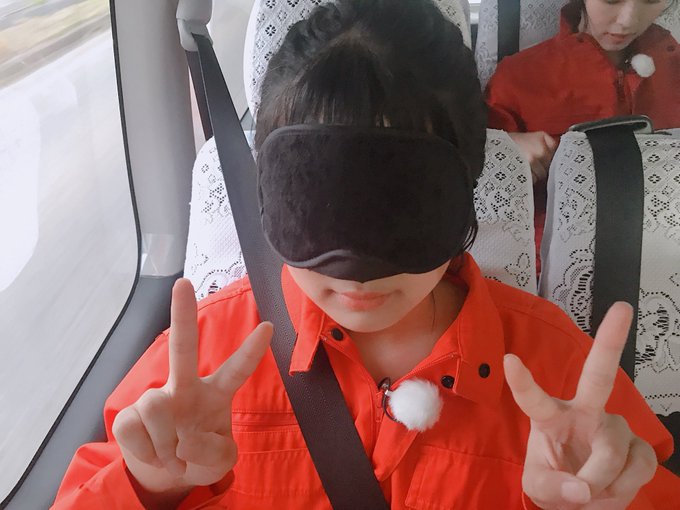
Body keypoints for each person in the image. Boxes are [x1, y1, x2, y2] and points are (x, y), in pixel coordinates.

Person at [52, 0, 679, 508]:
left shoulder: (560, 384)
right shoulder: (198, 369)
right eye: (317, 203)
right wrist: (150, 487)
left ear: (466, 191)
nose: (358, 269)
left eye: (404, 204)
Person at [485, 0, 680, 271]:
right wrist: (504, 152)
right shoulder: (518, 76)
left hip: (667, 263)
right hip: (550, 268)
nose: (627, 21)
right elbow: (471, 186)